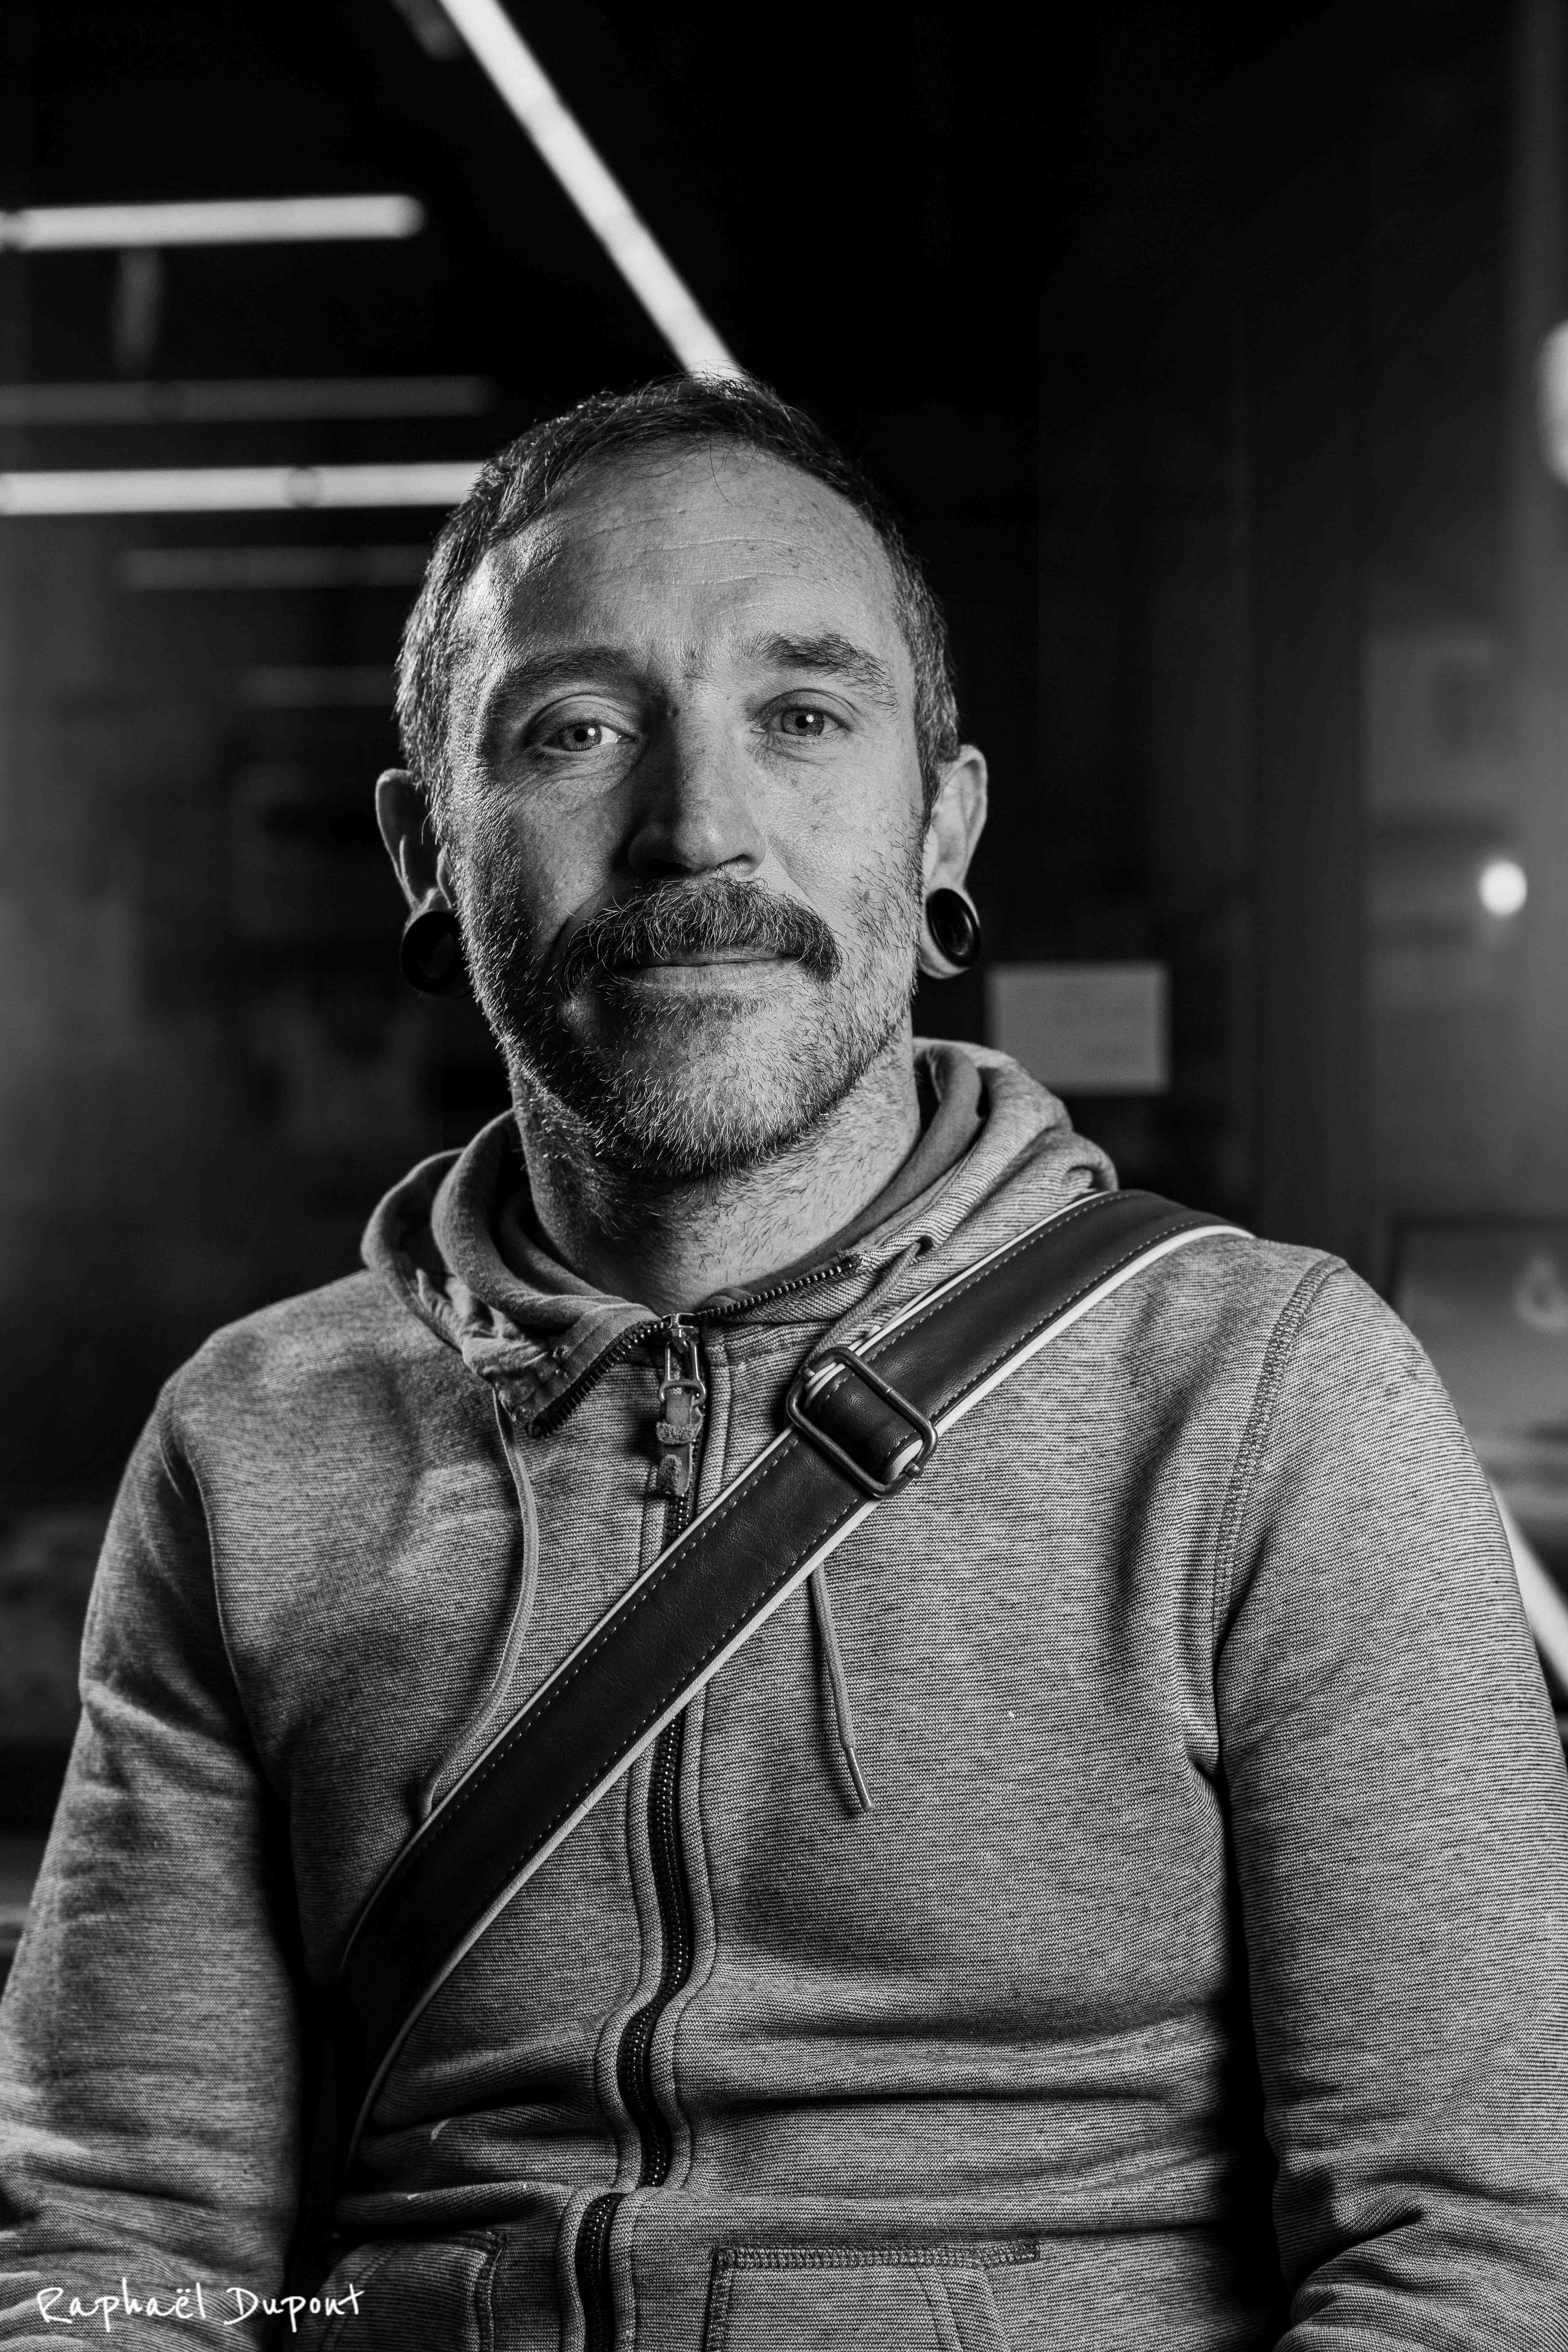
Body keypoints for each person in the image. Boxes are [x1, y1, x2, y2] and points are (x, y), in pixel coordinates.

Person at [2, 374, 1566, 2352]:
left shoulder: (1261, 1399)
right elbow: (121, 2245)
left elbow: (1474, 2258)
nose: (697, 828)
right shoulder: (249, 1447)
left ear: (943, 822)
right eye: (575, 730)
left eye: (804, 716)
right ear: (427, 847)